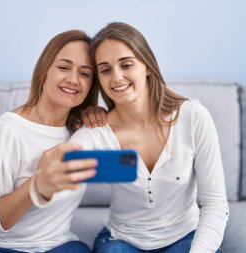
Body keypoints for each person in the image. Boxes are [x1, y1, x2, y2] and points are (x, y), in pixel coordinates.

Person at [69, 22, 229, 253]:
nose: (116, 77)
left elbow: (215, 203)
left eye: (126, 65)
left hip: (186, 237)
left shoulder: (193, 117)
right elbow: (63, 162)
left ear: (147, 65)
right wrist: (75, 120)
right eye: (105, 70)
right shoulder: (97, 132)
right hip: (121, 241)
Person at [0, 30, 107, 253]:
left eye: (85, 74)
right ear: (44, 70)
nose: (73, 79)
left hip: (58, 245)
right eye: (64, 67)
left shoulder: (81, 130)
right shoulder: (8, 130)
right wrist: (37, 184)